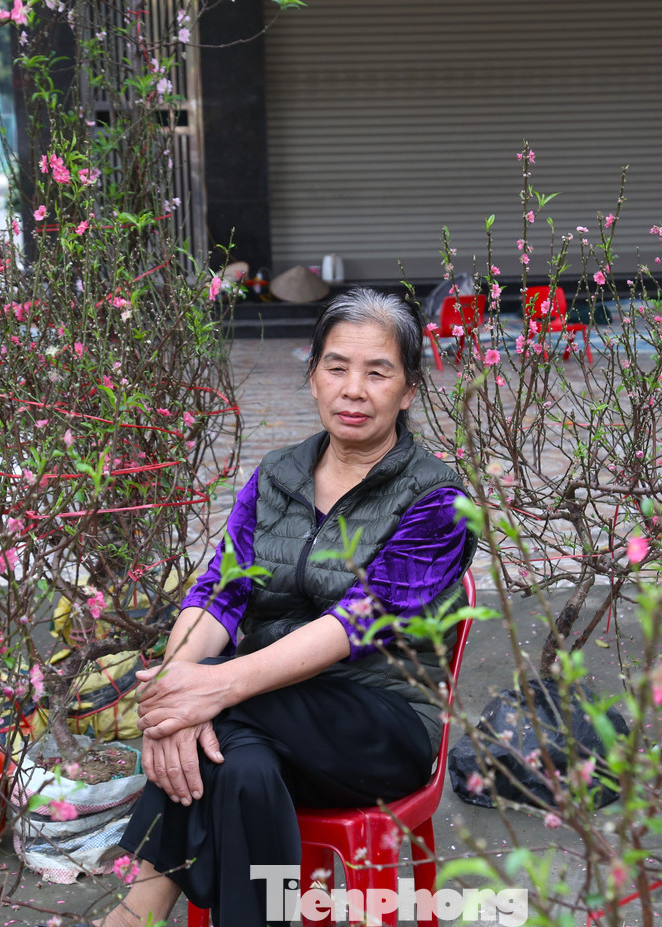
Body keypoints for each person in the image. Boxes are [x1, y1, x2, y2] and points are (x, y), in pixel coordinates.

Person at [104, 288, 477, 927]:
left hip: (379, 724)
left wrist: (201, 694)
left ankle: (137, 910)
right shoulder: (277, 476)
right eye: (337, 367)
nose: (353, 389)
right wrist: (176, 686)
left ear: (409, 390)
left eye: (377, 371)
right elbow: (221, 589)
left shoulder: (437, 500)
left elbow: (359, 623)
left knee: (220, 717)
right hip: (260, 718)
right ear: (312, 377)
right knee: (238, 768)